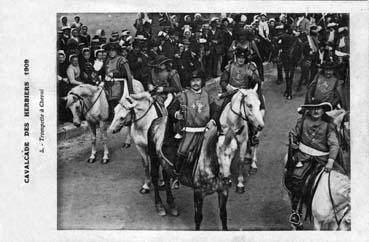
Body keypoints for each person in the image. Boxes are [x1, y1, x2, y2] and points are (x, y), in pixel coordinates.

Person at [288, 100, 343, 226]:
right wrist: (293, 140)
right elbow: (294, 133)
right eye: (313, 109)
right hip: (304, 157)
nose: (316, 111)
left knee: (340, 179)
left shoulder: (328, 125)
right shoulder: (302, 121)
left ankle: (339, 210)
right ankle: (296, 211)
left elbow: (334, 144)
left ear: (323, 110)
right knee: (296, 178)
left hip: (323, 159)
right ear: (309, 110)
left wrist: (330, 161)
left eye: (319, 108)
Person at [168, 69, 216, 186]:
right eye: (193, 80)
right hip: (190, 131)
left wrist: (213, 120)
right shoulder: (183, 96)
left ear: (202, 81)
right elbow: (171, 109)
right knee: (182, 151)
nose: (195, 83)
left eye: (198, 80)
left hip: (206, 130)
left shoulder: (207, 94)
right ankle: (177, 177)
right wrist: (176, 114)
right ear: (189, 82)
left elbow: (215, 110)